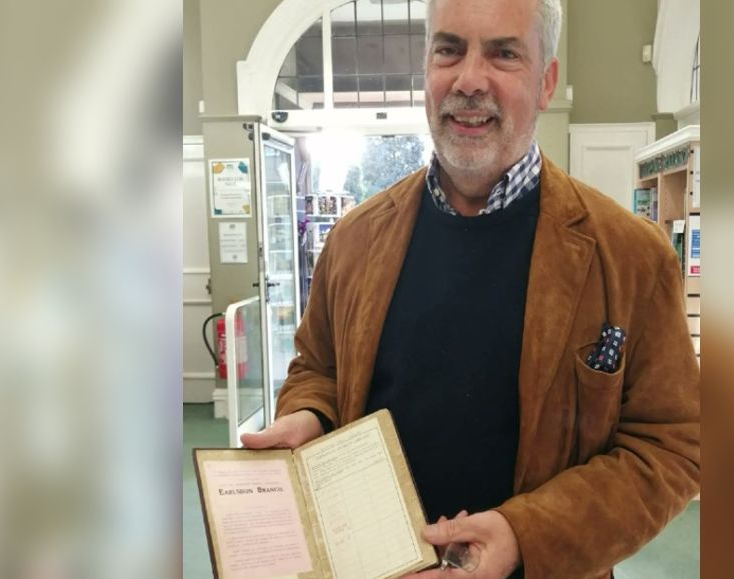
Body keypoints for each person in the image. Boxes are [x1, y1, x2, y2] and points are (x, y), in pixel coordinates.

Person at [242, 0, 700, 577]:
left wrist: (524, 536)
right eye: (449, 50)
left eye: (504, 54)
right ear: (426, 68)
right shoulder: (355, 241)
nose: (469, 80)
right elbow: (318, 369)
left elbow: (671, 445)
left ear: (545, 82)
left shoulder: (630, 256)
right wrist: (310, 416)